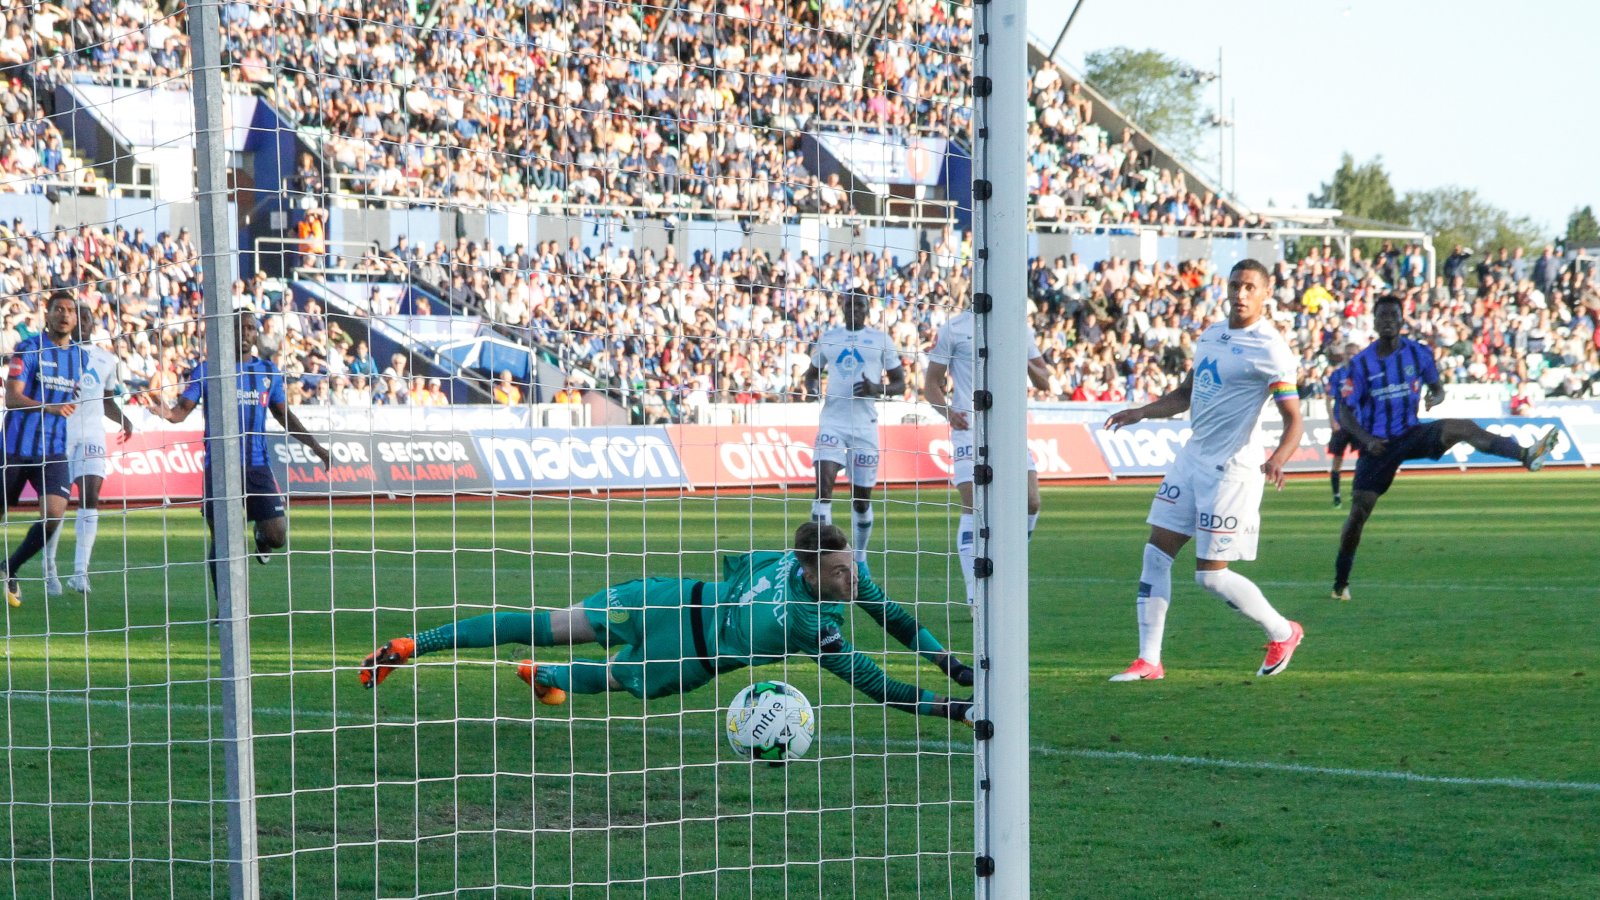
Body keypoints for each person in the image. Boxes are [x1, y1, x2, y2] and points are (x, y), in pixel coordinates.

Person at [358, 522, 977, 725]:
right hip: (686, 652)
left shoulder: (799, 560)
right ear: (812, 569)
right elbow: (874, 683)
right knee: (596, 664)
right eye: (841, 573)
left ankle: (425, 647)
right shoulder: (812, 626)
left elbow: (894, 619)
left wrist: (948, 663)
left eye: (851, 570)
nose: (853, 581)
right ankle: (516, 668)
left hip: (668, 597)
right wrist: (950, 707)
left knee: (551, 624)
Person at [1102, 259, 1306, 681]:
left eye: (1250, 287)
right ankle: (1149, 661)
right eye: (1235, 285)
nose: (1240, 294)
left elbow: (1294, 420)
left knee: (1210, 578)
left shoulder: (1271, 349)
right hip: (1192, 458)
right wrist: (1142, 412)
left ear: (1266, 293)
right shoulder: (1212, 335)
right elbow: (1186, 393)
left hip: (1232, 471)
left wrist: (1278, 459)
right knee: (1155, 555)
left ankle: (1284, 632)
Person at [1331, 294, 1559, 601]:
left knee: (1462, 427)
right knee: (1358, 513)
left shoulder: (1418, 353)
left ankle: (1526, 455)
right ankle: (1341, 581)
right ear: (1374, 321)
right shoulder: (1361, 364)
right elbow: (1344, 411)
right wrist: (1366, 439)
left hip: (1411, 432)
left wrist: (1434, 398)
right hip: (1379, 445)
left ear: (1402, 320)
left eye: (1393, 315)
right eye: (1382, 316)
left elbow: (1437, 388)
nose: (1387, 321)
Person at [162, 310, 331, 602]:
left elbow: (283, 415)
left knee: (277, 536)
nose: (245, 332)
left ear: (256, 334)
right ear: (227, 332)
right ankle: (225, 608)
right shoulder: (208, 369)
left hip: (257, 466)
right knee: (222, 539)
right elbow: (181, 411)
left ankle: (261, 537)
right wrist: (167, 413)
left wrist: (315, 446)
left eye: (251, 328)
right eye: (239, 327)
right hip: (219, 467)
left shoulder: (267, 371)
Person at [922, 300, 1051, 605]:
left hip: (1010, 430)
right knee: (973, 505)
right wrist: (948, 412)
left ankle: (1011, 564)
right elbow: (931, 384)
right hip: (969, 428)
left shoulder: (1019, 328)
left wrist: (1023, 359)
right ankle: (974, 595)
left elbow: (1044, 381)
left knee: (1031, 502)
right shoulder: (954, 328)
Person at [801, 291, 905, 563]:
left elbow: (900, 384)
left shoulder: (881, 340)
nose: (854, 309)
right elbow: (811, 375)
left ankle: (859, 557)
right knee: (823, 491)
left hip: (864, 427)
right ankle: (825, 558)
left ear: (867, 309)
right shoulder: (829, 338)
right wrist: (812, 389)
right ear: (842, 308)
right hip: (832, 423)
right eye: (850, 305)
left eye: (859, 305)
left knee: (861, 501)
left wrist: (876, 388)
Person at [2, 293, 89, 606]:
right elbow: (12, 397)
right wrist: (48, 407)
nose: (65, 315)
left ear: (76, 319)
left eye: (70, 311)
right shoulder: (28, 349)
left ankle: (10, 566)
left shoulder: (81, 357)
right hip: (15, 448)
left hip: (53, 450)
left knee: (53, 516)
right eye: (58, 309)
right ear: (47, 314)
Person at [42, 305, 134, 595]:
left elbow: (106, 400)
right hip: (60, 435)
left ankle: (80, 573)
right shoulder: (55, 354)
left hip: (92, 435)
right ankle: (49, 569)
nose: (81, 322)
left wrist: (125, 419)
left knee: (90, 497)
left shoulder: (106, 359)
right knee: (57, 505)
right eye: (77, 317)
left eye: (86, 318)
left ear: (93, 323)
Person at [1324, 341, 1362, 508]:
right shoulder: (1337, 374)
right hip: (1341, 423)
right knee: (1337, 460)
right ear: (1344, 355)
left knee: (1364, 459)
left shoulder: (1364, 374)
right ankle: (1336, 496)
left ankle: (1358, 492)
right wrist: (1332, 420)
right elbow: (1329, 399)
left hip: (1359, 423)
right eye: (1348, 353)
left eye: (1354, 354)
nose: (1351, 356)